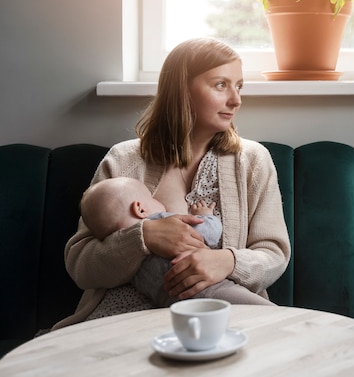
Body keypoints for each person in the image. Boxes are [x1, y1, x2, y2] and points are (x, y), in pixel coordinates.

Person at [53, 37, 290, 329]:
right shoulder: (123, 159)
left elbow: (274, 253)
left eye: (238, 86)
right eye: (220, 85)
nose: (236, 100)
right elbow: (81, 264)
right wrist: (143, 237)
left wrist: (226, 262)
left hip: (218, 317)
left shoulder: (253, 160)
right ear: (182, 89)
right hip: (123, 321)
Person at [80, 177, 272, 307]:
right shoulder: (160, 219)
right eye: (151, 198)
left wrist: (228, 261)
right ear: (140, 209)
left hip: (167, 305)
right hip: (209, 291)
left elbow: (274, 254)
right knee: (272, 314)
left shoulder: (132, 267)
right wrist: (205, 216)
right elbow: (209, 233)